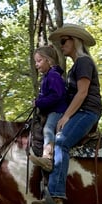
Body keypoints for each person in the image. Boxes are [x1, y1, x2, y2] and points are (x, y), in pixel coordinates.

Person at [33, 24, 102, 204]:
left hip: (87, 111)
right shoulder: (74, 68)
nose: (61, 45)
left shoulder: (84, 62)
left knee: (61, 142)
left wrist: (66, 116)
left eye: (64, 41)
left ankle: (55, 194)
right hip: (80, 111)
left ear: (75, 41)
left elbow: (82, 93)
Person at [31, 44, 67, 172]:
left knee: (48, 128)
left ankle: (48, 157)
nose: (37, 64)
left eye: (39, 61)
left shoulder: (53, 76)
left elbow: (56, 96)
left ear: (49, 60)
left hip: (58, 110)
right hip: (52, 110)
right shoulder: (47, 76)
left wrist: (39, 103)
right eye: (36, 61)